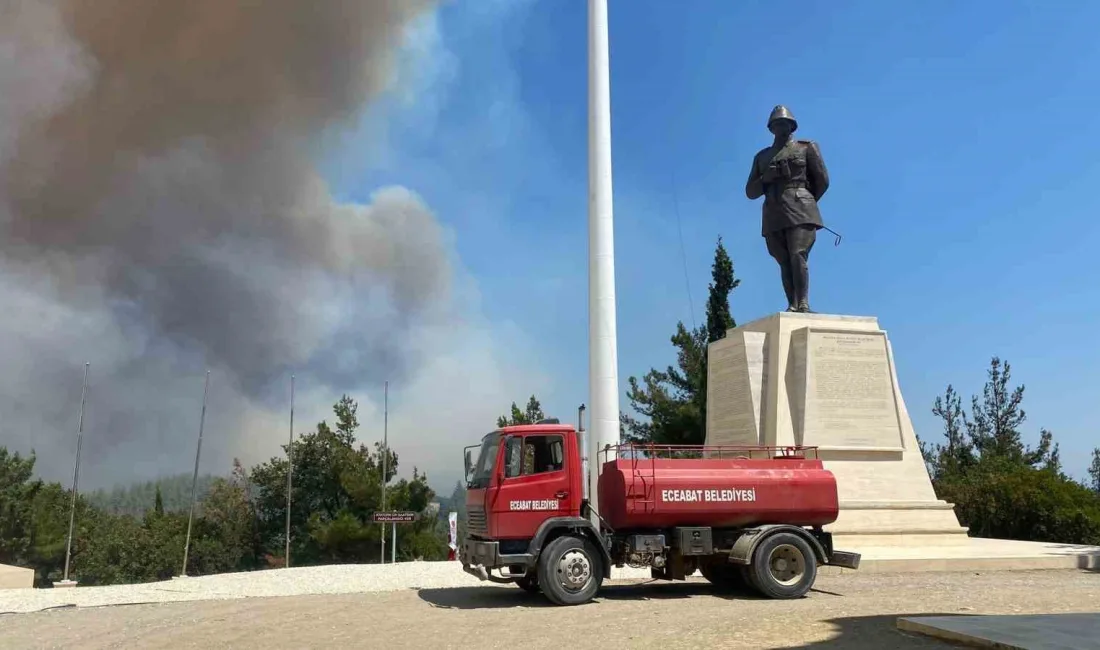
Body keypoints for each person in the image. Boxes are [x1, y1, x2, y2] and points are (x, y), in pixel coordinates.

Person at [745, 105, 830, 313]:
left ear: (792, 126)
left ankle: (803, 302)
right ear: (770, 128)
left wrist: (806, 199)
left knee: (798, 253)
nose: (780, 127)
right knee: (783, 260)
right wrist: (767, 178)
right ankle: (792, 303)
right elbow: (750, 191)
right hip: (774, 211)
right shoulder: (762, 157)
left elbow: (822, 180)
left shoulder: (806, 147)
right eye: (776, 124)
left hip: (801, 207)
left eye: (784, 123)